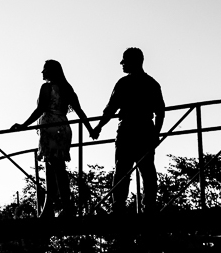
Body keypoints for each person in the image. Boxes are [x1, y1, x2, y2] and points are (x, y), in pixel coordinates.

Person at [12, 59, 95, 218]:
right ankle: (50, 207)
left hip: (50, 129)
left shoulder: (47, 87)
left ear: (52, 71)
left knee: (55, 169)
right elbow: (80, 111)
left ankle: (63, 207)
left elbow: (40, 109)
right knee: (55, 168)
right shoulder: (67, 88)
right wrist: (91, 129)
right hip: (63, 129)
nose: (42, 73)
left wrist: (24, 125)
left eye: (45, 70)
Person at [91, 47, 165, 213]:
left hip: (129, 131)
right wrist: (155, 134)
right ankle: (148, 206)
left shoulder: (125, 83)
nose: (121, 63)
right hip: (145, 130)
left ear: (134, 61)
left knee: (125, 170)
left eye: (124, 60)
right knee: (145, 170)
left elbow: (110, 109)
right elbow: (160, 112)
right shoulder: (151, 83)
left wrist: (98, 127)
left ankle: (119, 206)